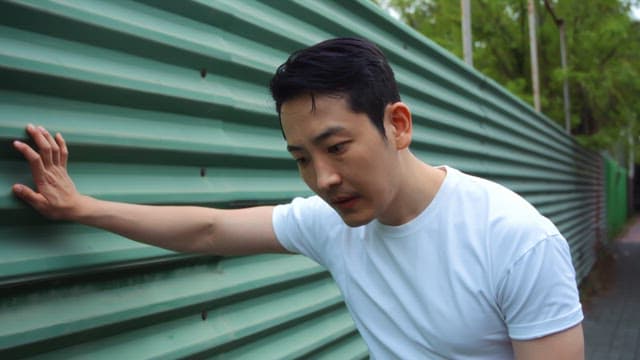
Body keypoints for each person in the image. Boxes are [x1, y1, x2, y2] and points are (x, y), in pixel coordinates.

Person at [11, 37, 584, 359]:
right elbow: (209, 230)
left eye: (337, 147)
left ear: (398, 125)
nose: (323, 178)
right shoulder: (333, 224)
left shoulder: (515, 239)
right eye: (302, 158)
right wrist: (79, 208)